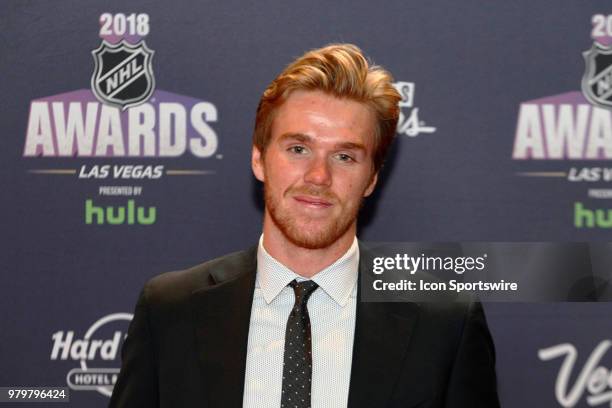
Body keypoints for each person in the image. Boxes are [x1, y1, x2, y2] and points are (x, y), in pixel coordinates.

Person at [109, 43, 500, 408]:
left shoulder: (445, 323)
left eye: (345, 156)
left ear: (372, 178)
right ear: (259, 159)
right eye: (298, 149)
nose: (318, 176)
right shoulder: (170, 310)